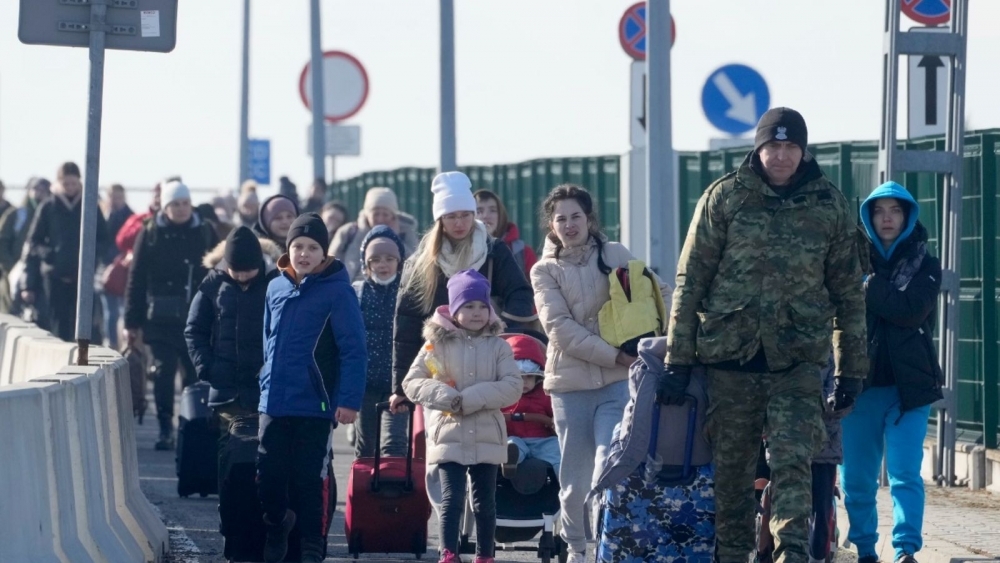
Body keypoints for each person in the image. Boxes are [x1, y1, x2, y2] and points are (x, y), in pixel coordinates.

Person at [662, 107, 867, 563]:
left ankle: (791, 554)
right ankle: (732, 555)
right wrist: (678, 358)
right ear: (757, 148)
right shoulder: (725, 198)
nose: (781, 155)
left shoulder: (829, 205)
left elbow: (849, 295)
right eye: (772, 146)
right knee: (733, 478)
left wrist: (851, 370)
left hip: (796, 363)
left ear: (803, 150)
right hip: (730, 362)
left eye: (791, 146)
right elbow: (691, 279)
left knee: (793, 463)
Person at [530, 183, 670, 563]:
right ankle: (575, 545)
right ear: (551, 226)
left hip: (616, 385)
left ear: (589, 219)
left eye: (577, 216)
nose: (570, 224)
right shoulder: (544, 271)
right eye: (561, 219)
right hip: (570, 386)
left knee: (609, 467)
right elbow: (559, 329)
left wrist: (669, 338)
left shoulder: (615, 254)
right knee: (574, 484)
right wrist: (615, 356)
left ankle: (605, 550)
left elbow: (658, 294)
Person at [839, 182, 943, 563]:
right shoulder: (847, 261)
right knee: (857, 480)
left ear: (907, 216)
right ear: (867, 216)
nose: (887, 218)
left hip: (909, 389)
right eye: (879, 210)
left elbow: (910, 311)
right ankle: (866, 548)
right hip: (858, 387)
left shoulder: (926, 264)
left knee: (904, 475)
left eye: (895, 210)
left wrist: (868, 286)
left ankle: (905, 550)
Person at [256, 213, 366, 563]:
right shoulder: (275, 286)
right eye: (297, 246)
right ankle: (277, 523)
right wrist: (264, 382)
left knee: (309, 480)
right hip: (273, 402)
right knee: (268, 476)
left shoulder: (339, 292)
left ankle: (312, 547)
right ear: (288, 249)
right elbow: (267, 340)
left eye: (312, 247)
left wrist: (347, 401)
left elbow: (354, 349)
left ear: (324, 253)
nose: (304, 253)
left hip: (315, 406)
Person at [389, 171, 536, 413]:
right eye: (451, 216)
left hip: (487, 365)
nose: (459, 223)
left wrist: (502, 334)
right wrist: (401, 388)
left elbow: (519, 293)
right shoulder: (423, 263)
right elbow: (406, 325)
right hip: (441, 370)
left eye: (466, 215)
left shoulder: (493, 251)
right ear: (440, 219)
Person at [402, 269, 521, 563]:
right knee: (451, 499)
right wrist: (444, 396)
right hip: (448, 433)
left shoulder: (499, 346)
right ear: (454, 310)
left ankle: (485, 555)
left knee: (485, 503)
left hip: (486, 434)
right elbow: (412, 382)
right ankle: (448, 553)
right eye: (468, 306)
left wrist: (471, 398)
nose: (477, 312)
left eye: (482, 306)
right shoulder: (436, 346)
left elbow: (513, 386)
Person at [124, 180, 219, 450]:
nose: (181, 209)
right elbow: (137, 277)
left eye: (185, 203)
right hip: (160, 320)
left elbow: (219, 272)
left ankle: (190, 427)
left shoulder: (204, 230)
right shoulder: (150, 232)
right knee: (164, 373)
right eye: (175, 204)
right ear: (165, 207)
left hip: (196, 317)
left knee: (193, 375)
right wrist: (132, 322)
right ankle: (165, 427)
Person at [185, 226, 278, 491]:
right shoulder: (212, 286)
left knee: (266, 451)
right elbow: (195, 330)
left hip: (267, 388)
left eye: (247, 270)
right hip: (227, 388)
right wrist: (208, 369)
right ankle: (232, 509)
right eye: (235, 270)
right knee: (231, 451)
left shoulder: (276, 284)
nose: (240, 276)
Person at [23, 162, 110, 341]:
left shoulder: (90, 205)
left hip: (83, 278)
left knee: (84, 327)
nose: (70, 188)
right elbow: (34, 241)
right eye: (66, 184)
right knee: (59, 324)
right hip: (55, 277)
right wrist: (49, 255)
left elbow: (103, 238)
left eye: (73, 183)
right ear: (59, 183)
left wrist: (92, 257)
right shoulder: (49, 207)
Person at [352, 225, 408, 459]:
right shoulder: (357, 292)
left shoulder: (408, 293)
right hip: (365, 383)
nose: (383, 265)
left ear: (399, 261)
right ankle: (364, 493)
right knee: (366, 445)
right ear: (366, 264)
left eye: (389, 259)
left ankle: (394, 493)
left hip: (399, 384)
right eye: (375, 259)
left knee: (394, 445)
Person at [499, 332, 560, 478]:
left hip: (541, 439)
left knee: (557, 450)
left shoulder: (545, 395)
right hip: (513, 437)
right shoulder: (502, 396)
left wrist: (555, 422)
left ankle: (567, 485)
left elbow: (555, 414)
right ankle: (509, 460)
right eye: (519, 378)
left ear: (538, 378)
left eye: (529, 377)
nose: (524, 382)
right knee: (511, 445)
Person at [330, 187, 420, 282]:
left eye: (385, 214)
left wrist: (395, 237)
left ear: (393, 216)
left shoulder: (406, 233)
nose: (380, 219)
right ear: (367, 214)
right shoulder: (349, 232)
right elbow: (331, 264)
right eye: (375, 214)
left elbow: (414, 265)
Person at [0, 177, 52, 318]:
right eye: (35, 189)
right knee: (12, 313)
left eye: (43, 190)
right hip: (14, 274)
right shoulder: (16, 215)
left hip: (43, 275)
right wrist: (11, 267)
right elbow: (2, 243)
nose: (38, 194)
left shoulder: (52, 215)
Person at [100, 183, 134, 349]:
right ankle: (111, 342)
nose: (115, 200)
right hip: (104, 269)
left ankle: (122, 343)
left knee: (122, 310)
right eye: (112, 196)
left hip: (124, 271)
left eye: (118, 197)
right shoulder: (102, 216)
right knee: (110, 311)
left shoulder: (131, 218)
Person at [474, 189, 537, 278]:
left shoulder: (523, 253)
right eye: (479, 211)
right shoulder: (459, 250)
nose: (485, 216)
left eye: (492, 210)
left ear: (501, 215)